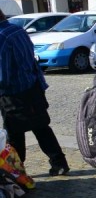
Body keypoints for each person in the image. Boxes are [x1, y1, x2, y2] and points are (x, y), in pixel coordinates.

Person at [0, 10, 69, 176]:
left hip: (14, 93)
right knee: (41, 127)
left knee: (14, 133)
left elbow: (3, 75)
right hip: (32, 87)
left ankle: (17, 171)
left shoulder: (2, 37)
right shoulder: (18, 30)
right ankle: (59, 163)